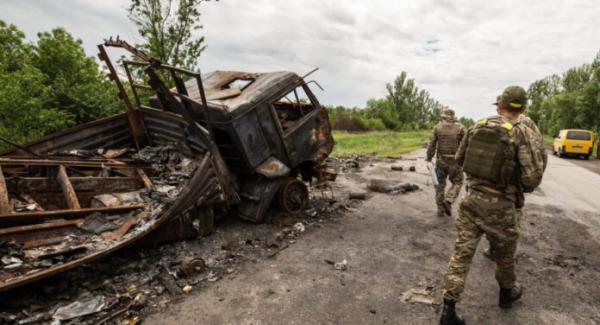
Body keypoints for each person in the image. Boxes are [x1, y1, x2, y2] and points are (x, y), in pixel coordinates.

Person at [439, 86, 545, 325]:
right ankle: (506, 294)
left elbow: (459, 159)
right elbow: (533, 178)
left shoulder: (478, 125)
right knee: (505, 256)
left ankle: (448, 310)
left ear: (500, 105)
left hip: (472, 201)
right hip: (503, 206)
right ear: (524, 108)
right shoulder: (523, 133)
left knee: (461, 253)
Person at [482, 96, 547, 260]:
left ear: (505, 106)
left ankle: (505, 256)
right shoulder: (496, 122)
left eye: (499, 105)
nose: (497, 108)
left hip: (512, 182)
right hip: (497, 180)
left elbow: (540, 150)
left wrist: (531, 179)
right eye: (496, 105)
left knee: (511, 218)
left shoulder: (525, 123)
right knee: (495, 218)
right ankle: (494, 250)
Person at [426, 108, 466, 217]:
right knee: (458, 182)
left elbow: (432, 145)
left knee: (439, 185)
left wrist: (429, 158)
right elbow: (466, 145)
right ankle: (448, 200)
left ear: (443, 116)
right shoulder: (461, 128)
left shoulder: (437, 127)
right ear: (453, 117)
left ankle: (440, 209)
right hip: (455, 162)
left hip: (441, 161)